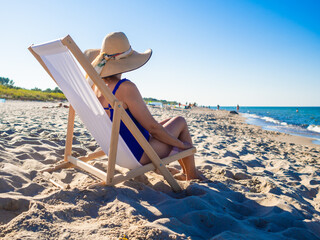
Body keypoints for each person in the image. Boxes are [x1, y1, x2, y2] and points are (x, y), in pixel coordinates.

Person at [84, 32, 204, 181]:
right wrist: (181, 144)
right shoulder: (126, 88)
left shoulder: (94, 86)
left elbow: (146, 128)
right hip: (138, 154)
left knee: (170, 121)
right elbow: (153, 128)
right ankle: (192, 175)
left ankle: (189, 173)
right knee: (180, 121)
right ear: (125, 62)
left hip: (118, 152)